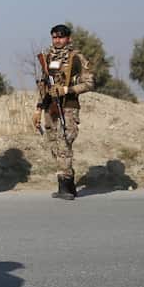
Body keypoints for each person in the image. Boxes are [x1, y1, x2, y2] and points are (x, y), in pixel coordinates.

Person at [34, 23, 94, 200]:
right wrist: (38, 109)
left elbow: (89, 83)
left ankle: (65, 186)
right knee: (54, 145)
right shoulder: (48, 57)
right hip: (50, 107)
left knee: (64, 144)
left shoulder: (76, 58)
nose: (57, 40)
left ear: (69, 38)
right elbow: (44, 86)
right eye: (54, 37)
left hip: (68, 107)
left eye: (61, 37)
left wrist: (67, 90)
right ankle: (70, 184)